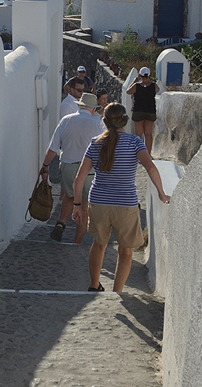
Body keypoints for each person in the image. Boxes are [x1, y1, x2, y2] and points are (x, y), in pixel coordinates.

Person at [71, 103, 170, 292]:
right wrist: (161, 192)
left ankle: (94, 285)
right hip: (125, 204)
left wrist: (77, 205)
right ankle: (116, 292)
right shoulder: (134, 142)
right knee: (126, 250)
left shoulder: (95, 143)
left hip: (98, 201)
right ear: (125, 120)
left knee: (99, 244)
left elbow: (79, 178)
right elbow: (150, 167)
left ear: (105, 121)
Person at [39, 93, 105, 242]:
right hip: (88, 171)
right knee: (84, 204)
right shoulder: (98, 124)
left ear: (80, 106)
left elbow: (52, 149)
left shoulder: (65, 120)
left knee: (70, 196)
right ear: (93, 109)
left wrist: (45, 166)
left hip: (67, 167)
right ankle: (77, 242)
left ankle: (61, 222)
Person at [126, 66, 159, 156]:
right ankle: (148, 155)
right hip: (150, 111)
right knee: (148, 134)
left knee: (138, 135)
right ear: (149, 75)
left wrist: (134, 81)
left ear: (140, 75)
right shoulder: (154, 86)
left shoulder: (136, 86)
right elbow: (158, 90)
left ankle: (139, 154)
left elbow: (128, 91)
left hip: (138, 111)